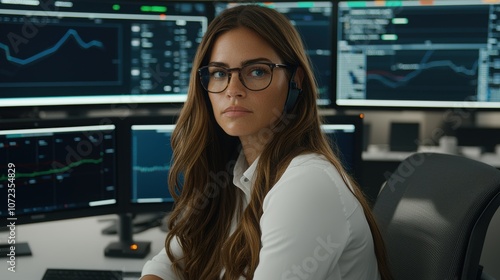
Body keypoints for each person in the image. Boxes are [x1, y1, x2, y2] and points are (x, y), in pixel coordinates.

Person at [141, 4, 392, 280]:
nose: (233, 90)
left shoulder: (307, 184)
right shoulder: (232, 174)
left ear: (294, 81)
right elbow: (167, 264)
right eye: (219, 73)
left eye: (257, 71)